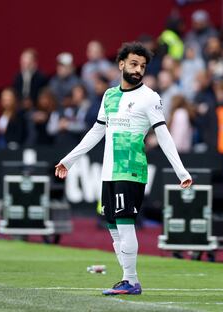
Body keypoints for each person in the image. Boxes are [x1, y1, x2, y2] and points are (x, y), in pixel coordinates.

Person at [54, 42, 192, 296]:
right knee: (113, 227)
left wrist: (181, 171)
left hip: (130, 170)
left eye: (142, 66)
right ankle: (128, 279)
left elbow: (163, 135)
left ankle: (131, 280)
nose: (138, 69)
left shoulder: (150, 97)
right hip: (109, 172)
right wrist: (69, 160)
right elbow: (97, 131)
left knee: (125, 223)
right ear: (121, 64)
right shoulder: (109, 95)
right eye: (133, 64)